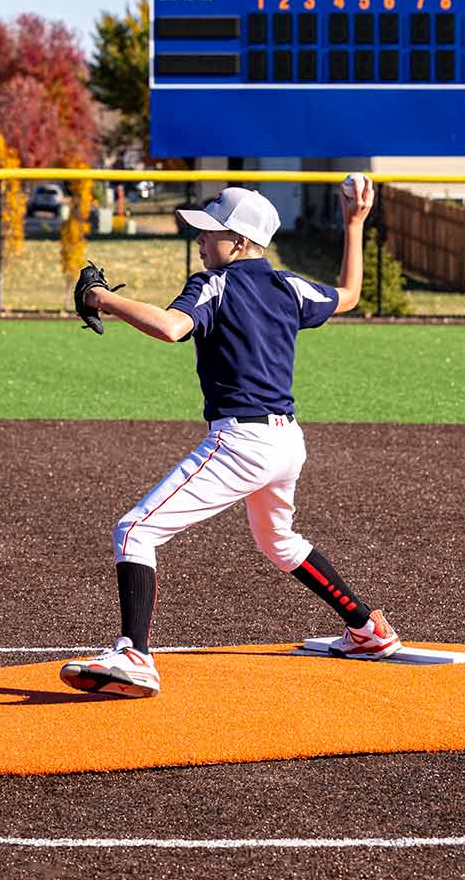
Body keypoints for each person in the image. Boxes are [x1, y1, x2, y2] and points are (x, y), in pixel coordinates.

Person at [59, 178, 402, 699]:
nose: (200, 240)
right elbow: (350, 295)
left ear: (239, 242)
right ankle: (368, 630)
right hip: (287, 443)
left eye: (211, 232)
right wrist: (354, 225)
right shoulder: (289, 286)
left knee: (135, 532)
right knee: (278, 541)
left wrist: (100, 296)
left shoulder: (213, 284)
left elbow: (172, 328)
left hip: (242, 441)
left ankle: (134, 654)